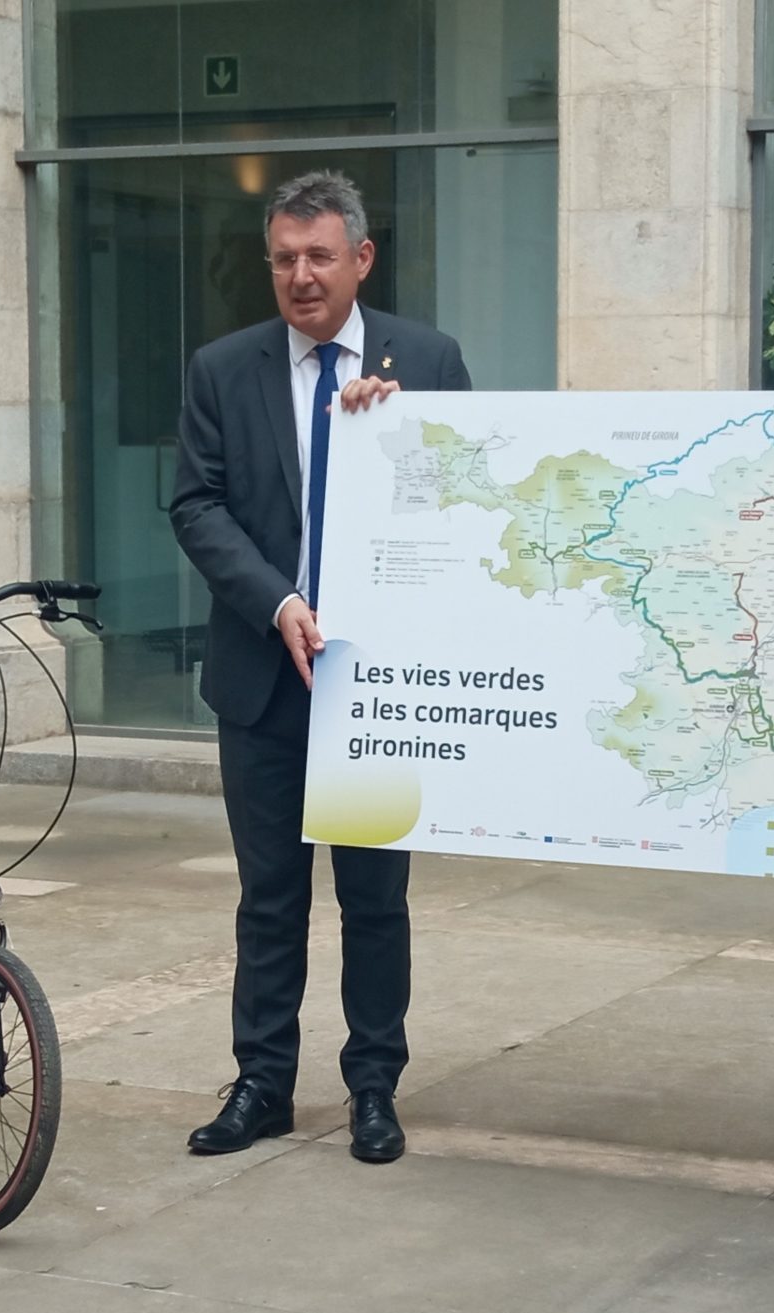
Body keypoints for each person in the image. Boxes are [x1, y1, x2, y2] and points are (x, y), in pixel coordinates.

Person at [169, 169, 472, 1163]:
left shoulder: (423, 359)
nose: (301, 277)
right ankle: (261, 1085)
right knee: (271, 898)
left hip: (380, 686)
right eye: (284, 260)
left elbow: (473, 500)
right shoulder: (223, 369)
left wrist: (401, 440)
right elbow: (196, 506)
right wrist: (277, 602)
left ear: (361, 259)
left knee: (375, 902)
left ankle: (374, 1087)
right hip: (264, 681)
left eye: (320, 257)